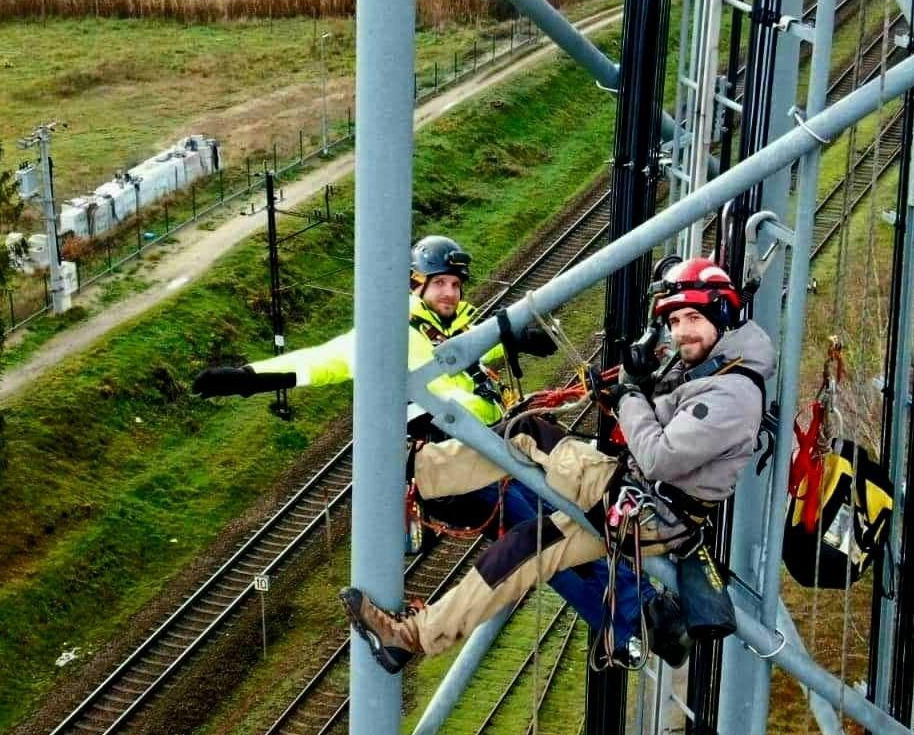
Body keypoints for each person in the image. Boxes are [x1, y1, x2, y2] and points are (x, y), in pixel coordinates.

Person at [194, 234, 647, 659]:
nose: (450, 293)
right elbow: (321, 362)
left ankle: (638, 601)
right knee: (542, 540)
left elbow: (484, 349)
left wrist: (523, 337)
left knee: (563, 521)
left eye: (455, 283)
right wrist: (248, 378)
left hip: (487, 456)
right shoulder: (393, 336)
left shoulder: (456, 330)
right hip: (448, 465)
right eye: (440, 284)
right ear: (419, 285)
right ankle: (634, 615)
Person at [341, 257, 776, 674]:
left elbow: (659, 455)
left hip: (645, 509)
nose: (682, 334)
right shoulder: (716, 367)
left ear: (722, 314)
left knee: (528, 434)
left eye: (692, 320)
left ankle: (413, 475)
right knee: (521, 549)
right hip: (640, 501)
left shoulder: (732, 395)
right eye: (676, 321)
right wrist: (636, 390)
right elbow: (661, 425)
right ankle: (412, 636)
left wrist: (629, 394)